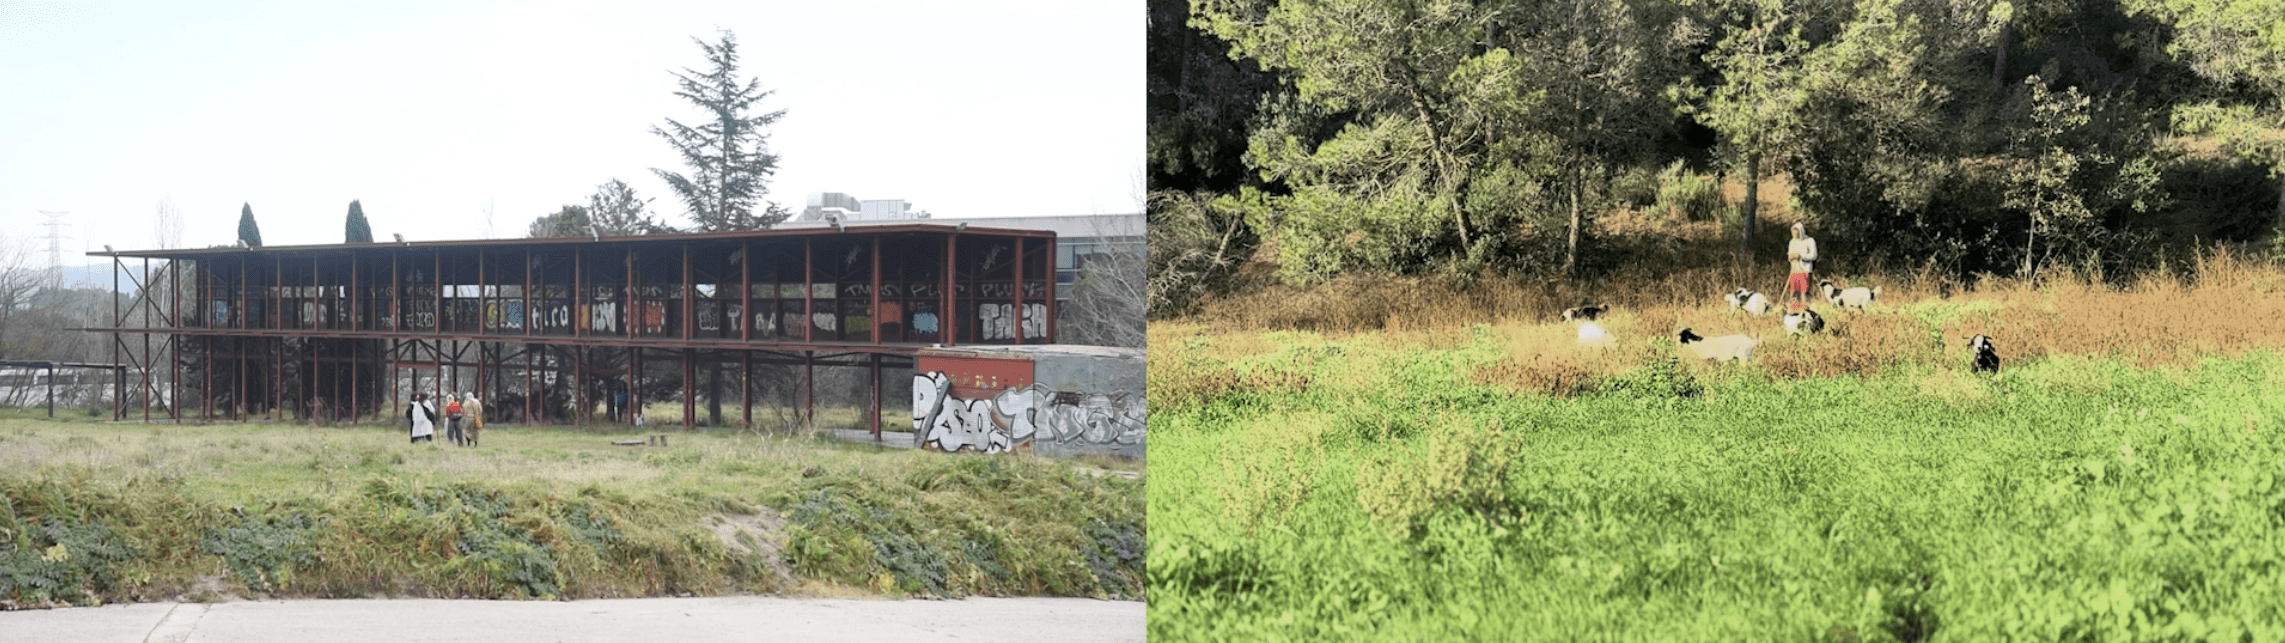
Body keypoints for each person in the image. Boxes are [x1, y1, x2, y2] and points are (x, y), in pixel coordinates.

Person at [1786, 223, 1819, 310]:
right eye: (1792, 233)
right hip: (1794, 270)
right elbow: (1789, 254)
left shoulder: (1810, 241)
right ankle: (1794, 310)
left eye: (1795, 232)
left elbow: (1814, 255)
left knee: (1804, 292)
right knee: (1793, 291)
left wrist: (1801, 256)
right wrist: (1790, 257)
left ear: (1800, 231)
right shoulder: (1792, 242)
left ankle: (1804, 310)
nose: (1794, 235)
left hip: (1805, 269)